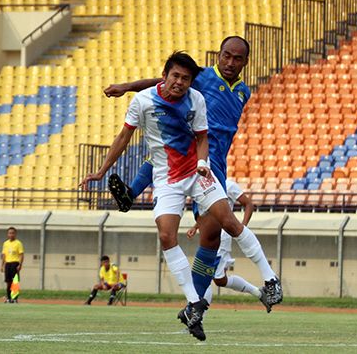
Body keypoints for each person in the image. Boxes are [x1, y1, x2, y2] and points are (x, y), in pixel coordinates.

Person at [103, 36, 283, 311]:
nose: (230, 62)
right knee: (165, 155)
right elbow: (161, 83)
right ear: (219, 55)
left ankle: (195, 305)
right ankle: (130, 193)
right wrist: (127, 88)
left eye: (237, 58)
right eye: (226, 55)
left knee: (212, 235)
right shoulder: (201, 76)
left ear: (245, 62)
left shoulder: (244, 91)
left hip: (217, 163)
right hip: (194, 149)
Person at [187, 179, 263, 305]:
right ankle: (259, 293)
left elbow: (248, 204)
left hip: (222, 238)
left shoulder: (229, 185)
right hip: (209, 236)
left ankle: (196, 318)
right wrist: (196, 227)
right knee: (220, 280)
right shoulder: (204, 185)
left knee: (203, 276)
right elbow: (209, 213)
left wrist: (242, 228)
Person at [1, 227, 24, 303]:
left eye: (13, 233)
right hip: (8, 264)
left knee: (15, 281)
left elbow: (21, 255)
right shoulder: (5, 243)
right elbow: (4, 255)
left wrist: (20, 264)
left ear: (15, 234)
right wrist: (2, 265)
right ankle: (8, 298)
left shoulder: (18, 243)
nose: (11, 234)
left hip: (15, 263)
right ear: (7, 234)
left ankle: (14, 298)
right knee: (8, 282)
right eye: (10, 233)